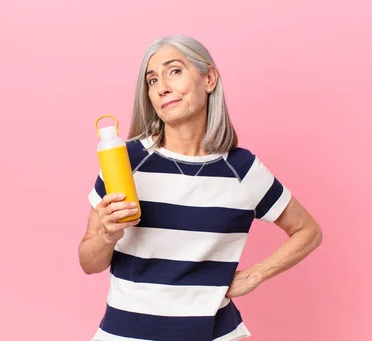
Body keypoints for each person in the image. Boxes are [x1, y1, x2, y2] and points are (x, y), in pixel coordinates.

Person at [78, 34, 323, 341]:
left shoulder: (242, 169)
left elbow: (308, 231)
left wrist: (254, 275)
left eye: (174, 71)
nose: (162, 86)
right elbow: (89, 262)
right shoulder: (125, 161)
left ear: (209, 78)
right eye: (152, 80)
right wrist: (106, 234)